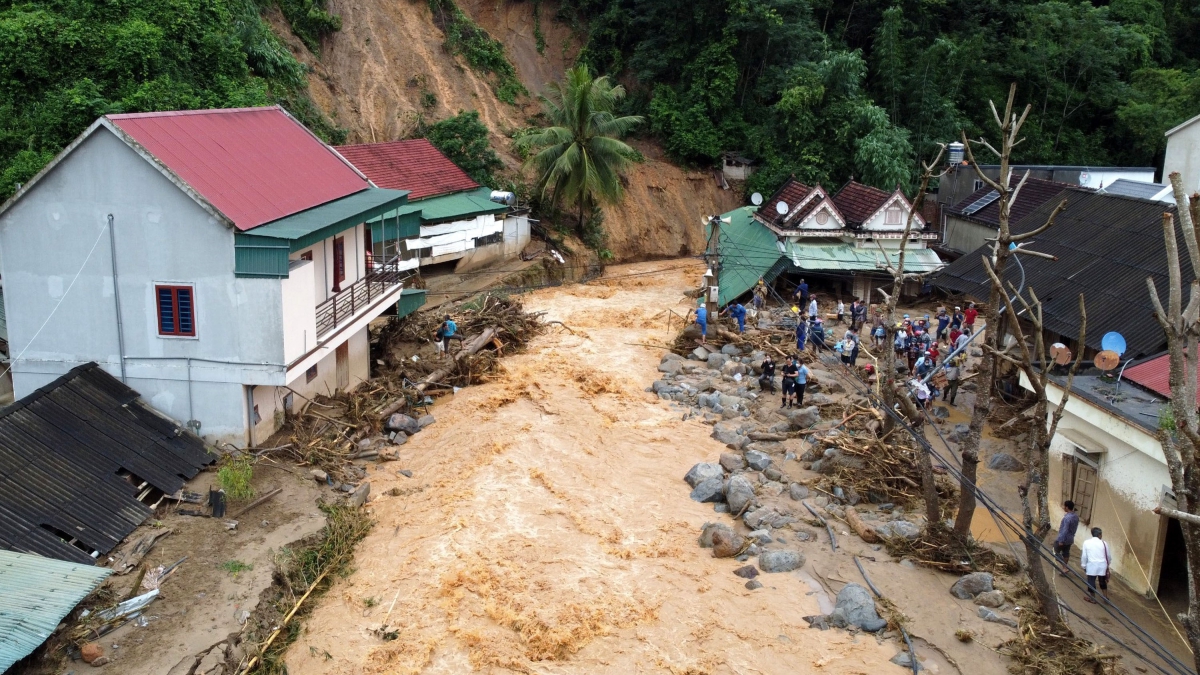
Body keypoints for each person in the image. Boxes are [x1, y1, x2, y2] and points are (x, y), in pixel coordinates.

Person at [1080, 527, 1111, 603]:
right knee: (1102, 581)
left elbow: (1084, 556)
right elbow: (1108, 556)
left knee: (1091, 581)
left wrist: (1083, 565)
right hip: (1102, 565)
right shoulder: (1104, 543)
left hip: (1091, 565)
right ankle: (1105, 597)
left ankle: (1092, 598)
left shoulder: (1086, 542)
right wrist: (1107, 565)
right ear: (1099, 535)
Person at [1055, 500, 1080, 575]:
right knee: (1066, 552)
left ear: (1067, 507)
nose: (1063, 507)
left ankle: (1064, 567)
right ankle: (1064, 569)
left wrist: (1061, 540)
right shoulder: (1076, 517)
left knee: (1055, 551)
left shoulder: (1067, 518)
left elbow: (1064, 530)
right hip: (1071, 538)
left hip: (1064, 538)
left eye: (1064, 506)